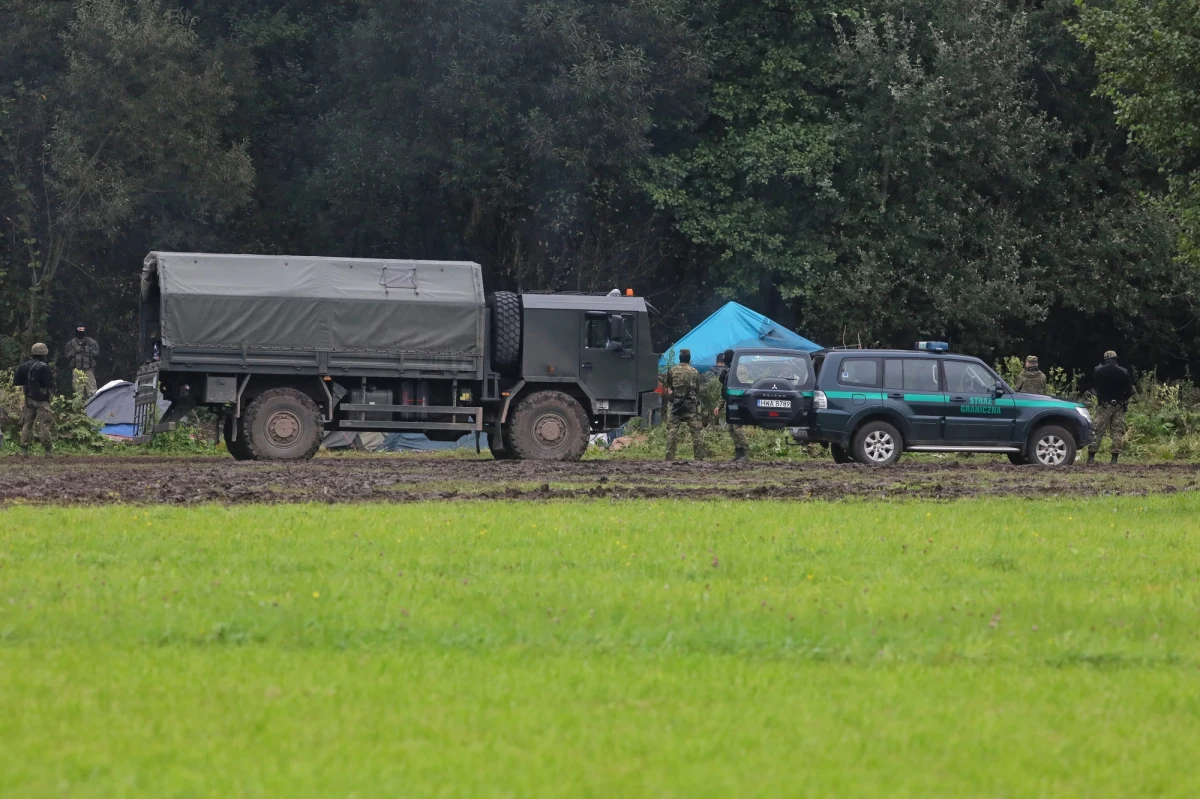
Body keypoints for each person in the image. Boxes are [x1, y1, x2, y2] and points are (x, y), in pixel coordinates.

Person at [1088, 349, 1134, 465]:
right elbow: (1130, 391)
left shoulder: (1098, 370)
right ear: (1115, 359)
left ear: (1105, 359)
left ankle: (1091, 457)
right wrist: (1123, 400)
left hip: (1104, 404)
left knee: (1097, 430)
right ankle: (1114, 459)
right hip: (1119, 405)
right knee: (1117, 432)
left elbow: (1094, 387)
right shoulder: (1123, 371)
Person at [13, 342, 55, 456]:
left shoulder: (23, 366)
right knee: (44, 424)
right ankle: (47, 450)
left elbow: (16, 382)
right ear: (44, 354)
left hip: (28, 399)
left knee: (27, 424)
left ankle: (24, 449)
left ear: (32, 353)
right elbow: (50, 384)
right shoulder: (44, 367)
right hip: (42, 400)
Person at [664, 348, 706, 461]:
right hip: (690, 406)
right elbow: (697, 389)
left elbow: (669, 386)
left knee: (672, 431)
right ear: (689, 358)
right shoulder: (695, 371)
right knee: (696, 431)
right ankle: (699, 457)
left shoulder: (673, 370)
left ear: (680, 358)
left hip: (676, 405)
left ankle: (669, 457)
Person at [712, 348, 749, 461]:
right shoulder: (729, 370)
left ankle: (745, 452)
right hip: (730, 402)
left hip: (738, 402)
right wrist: (719, 406)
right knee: (731, 429)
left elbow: (742, 386)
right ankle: (738, 452)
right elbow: (725, 390)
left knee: (737, 428)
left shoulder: (740, 369)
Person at [63, 324, 100, 399]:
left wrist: (88, 350)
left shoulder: (91, 342)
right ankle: (79, 408)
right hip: (76, 370)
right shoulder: (71, 343)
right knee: (78, 393)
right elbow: (66, 356)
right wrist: (75, 351)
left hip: (88, 370)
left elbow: (97, 354)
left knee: (92, 391)